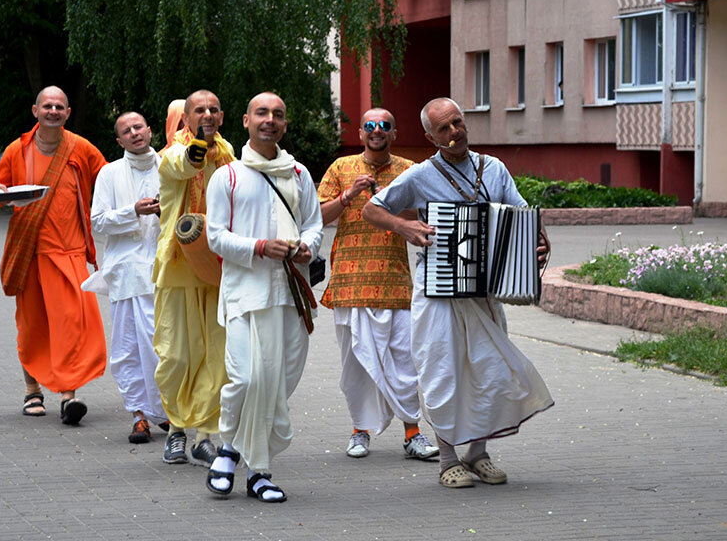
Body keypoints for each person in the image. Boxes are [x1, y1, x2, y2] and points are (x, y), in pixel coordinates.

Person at [363, 97, 554, 489]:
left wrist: (538, 238)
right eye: (444, 128)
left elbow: (521, 215)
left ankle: (477, 454)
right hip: (438, 293)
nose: (454, 132)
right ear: (430, 137)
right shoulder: (420, 175)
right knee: (443, 375)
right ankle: (448, 459)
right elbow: (372, 210)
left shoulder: (493, 168)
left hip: (483, 292)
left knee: (489, 372)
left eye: (458, 123)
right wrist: (404, 227)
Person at [204, 91, 323, 503]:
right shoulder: (228, 176)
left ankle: (256, 471)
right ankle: (231, 451)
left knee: (278, 383)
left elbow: (313, 224)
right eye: (261, 113)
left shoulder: (299, 173)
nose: (269, 119)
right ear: (246, 121)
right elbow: (215, 236)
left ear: (285, 124)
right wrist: (258, 247)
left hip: (290, 293)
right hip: (245, 293)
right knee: (248, 378)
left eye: (277, 114)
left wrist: (307, 246)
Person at [317, 108, 439, 461]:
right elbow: (317, 216)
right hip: (350, 281)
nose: (377, 130)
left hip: (396, 282)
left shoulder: (409, 171)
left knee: (404, 361)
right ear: (360, 133)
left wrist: (391, 199)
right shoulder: (341, 167)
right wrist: (348, 195)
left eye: (385, 125)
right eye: (370, 125)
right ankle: (360, 431)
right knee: (356, 364)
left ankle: (413, 434)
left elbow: (426, 214)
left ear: (394, 133)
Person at [0, 85, 108, 424]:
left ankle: (69, 396)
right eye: (47, 106)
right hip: (29, 251)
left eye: (59, 107)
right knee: (32, 326)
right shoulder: (17, 149)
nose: (53, 111)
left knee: (71, 324)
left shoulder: (81, 147)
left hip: (70, 252)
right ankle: (32, 390)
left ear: (67, 113)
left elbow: (109, 178)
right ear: (35, 111)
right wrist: (0, 191)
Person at [152, 90, 235, 466]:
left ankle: (204, 435)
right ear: (185, 118)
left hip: (218, 266)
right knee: (176, 355)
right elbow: (187, 164)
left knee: (217, 355)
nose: (207, 114)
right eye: (199, 110)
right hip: (177, 267)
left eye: (213, 109)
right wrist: (200, 140)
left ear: (223, 116)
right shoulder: (172, 153)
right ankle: (175, 429)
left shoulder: (229, 154)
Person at [83, 111, 169, 444]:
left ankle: (165, 410)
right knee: (127, 346)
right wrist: (133, 211)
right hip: (126, 271)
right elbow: (98, 222)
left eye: (138, 127)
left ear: (150, 130)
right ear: (119, 140)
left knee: (162, 346)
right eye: (126, 130)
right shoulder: (109, 173)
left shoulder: (171, 167)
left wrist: (165, 211)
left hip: (165, 270)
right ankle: (138, 414)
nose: (134, 133)